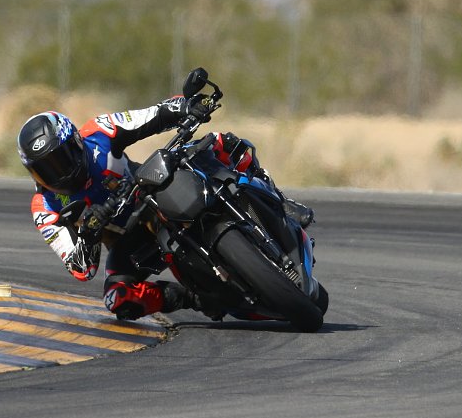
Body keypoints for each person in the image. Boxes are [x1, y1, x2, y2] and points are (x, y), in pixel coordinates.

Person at [17, 96, 314, 321]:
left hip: (150, 185)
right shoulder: (44, 207)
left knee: (218, 143)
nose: (58, 174)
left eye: (61, 160)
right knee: (117, 299)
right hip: (132, 237)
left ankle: (278, 200)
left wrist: (189, 106)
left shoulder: (99, 131)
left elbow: (152, 115)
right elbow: (81, 269)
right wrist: (89, 233)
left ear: (76, 142)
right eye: (45, 170)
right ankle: (191, 298)